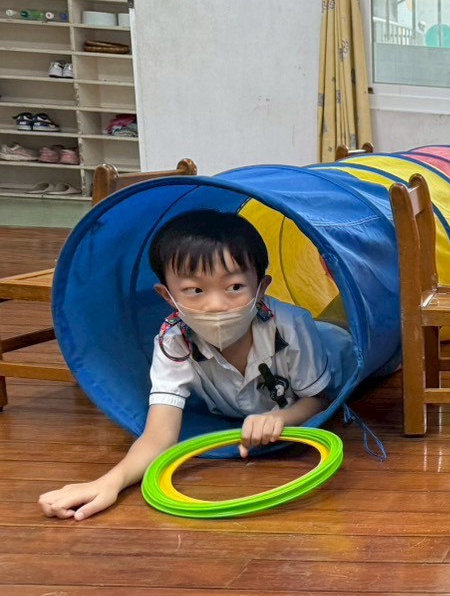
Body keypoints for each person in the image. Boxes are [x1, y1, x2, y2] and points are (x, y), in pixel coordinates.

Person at [38, 210, 355, 521]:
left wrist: (280, 418)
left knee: (347, 318)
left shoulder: (290, 325)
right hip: (270, 384)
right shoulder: (174, 341)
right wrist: (109, 482)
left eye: (234, 287)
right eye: (195, 290)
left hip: (336, 345)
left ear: (261, 287)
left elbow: (319, 399)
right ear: (167, 296)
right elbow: (158, 436)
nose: (215, 305)